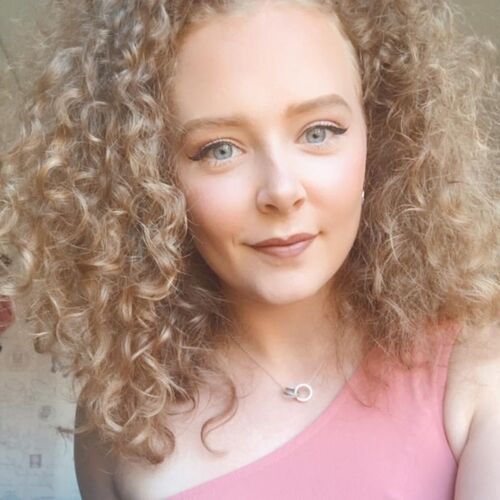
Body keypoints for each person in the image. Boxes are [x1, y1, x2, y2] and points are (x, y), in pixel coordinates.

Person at [0, 0, 498, 498]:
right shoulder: (122, 417)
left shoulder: (474, 367)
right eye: (220, 149)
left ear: (381, 136)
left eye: (319, 132)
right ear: (151, 177)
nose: (281, 191)